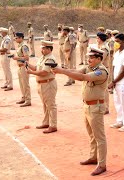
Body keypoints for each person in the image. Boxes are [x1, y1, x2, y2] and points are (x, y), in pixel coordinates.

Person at [52, 47, 108, 176]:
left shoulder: (101, 71)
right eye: (88, 57)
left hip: (96, 107)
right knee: (91, 135)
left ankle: (102, 164)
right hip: (87, 106)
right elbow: (76, 71)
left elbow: (82, 77)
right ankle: (93, 157)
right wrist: (62, 70)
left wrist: (61, 71)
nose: (89, 59)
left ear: (99, 59)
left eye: (92, 57)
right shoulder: (91, 67)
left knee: (100, 137)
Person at [26, 40, 58, 134]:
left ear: (49, 49)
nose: (42, 50)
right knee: (45, 104)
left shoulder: (50, 59)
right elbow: (37, 68)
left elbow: (44, 72)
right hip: (42, 84)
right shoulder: (43, 58)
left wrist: (31, 73)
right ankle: (46, 122)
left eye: (44, 48)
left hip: (48, 83)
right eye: (42, 48)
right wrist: (28, 64)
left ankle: (53, 125)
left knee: (51, 105)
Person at [108, 33, 124, 132]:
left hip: (123, 82)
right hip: (117, 81)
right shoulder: (117, 52)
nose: (115, 43)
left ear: (123, 41)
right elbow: (114, 67)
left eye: (117, 41)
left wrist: (114, 81)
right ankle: (120, 121)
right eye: (115, 41)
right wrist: (113, 80)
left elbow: (123, 71)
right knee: (117, 102)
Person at [12, 32, 31, 107]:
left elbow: (26, 58)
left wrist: (17, 58)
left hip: (24, 66)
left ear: (21, 38)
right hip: (20, 66)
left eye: (16, 38)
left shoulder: (24, 46)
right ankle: (24, 97)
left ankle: (28, 100)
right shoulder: (20, 46)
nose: (15, 39)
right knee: (21, 83)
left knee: (25, 84)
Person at [96, 32, 110, 114]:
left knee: (104, 90)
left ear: (100, 39)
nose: (96, 39)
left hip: (104, 69)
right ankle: (103, 106)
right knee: (101, 89)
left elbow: (101, 60)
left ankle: (106, 107)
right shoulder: (101, 47)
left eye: (97, 38)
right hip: (101, 69)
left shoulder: (104, 48)